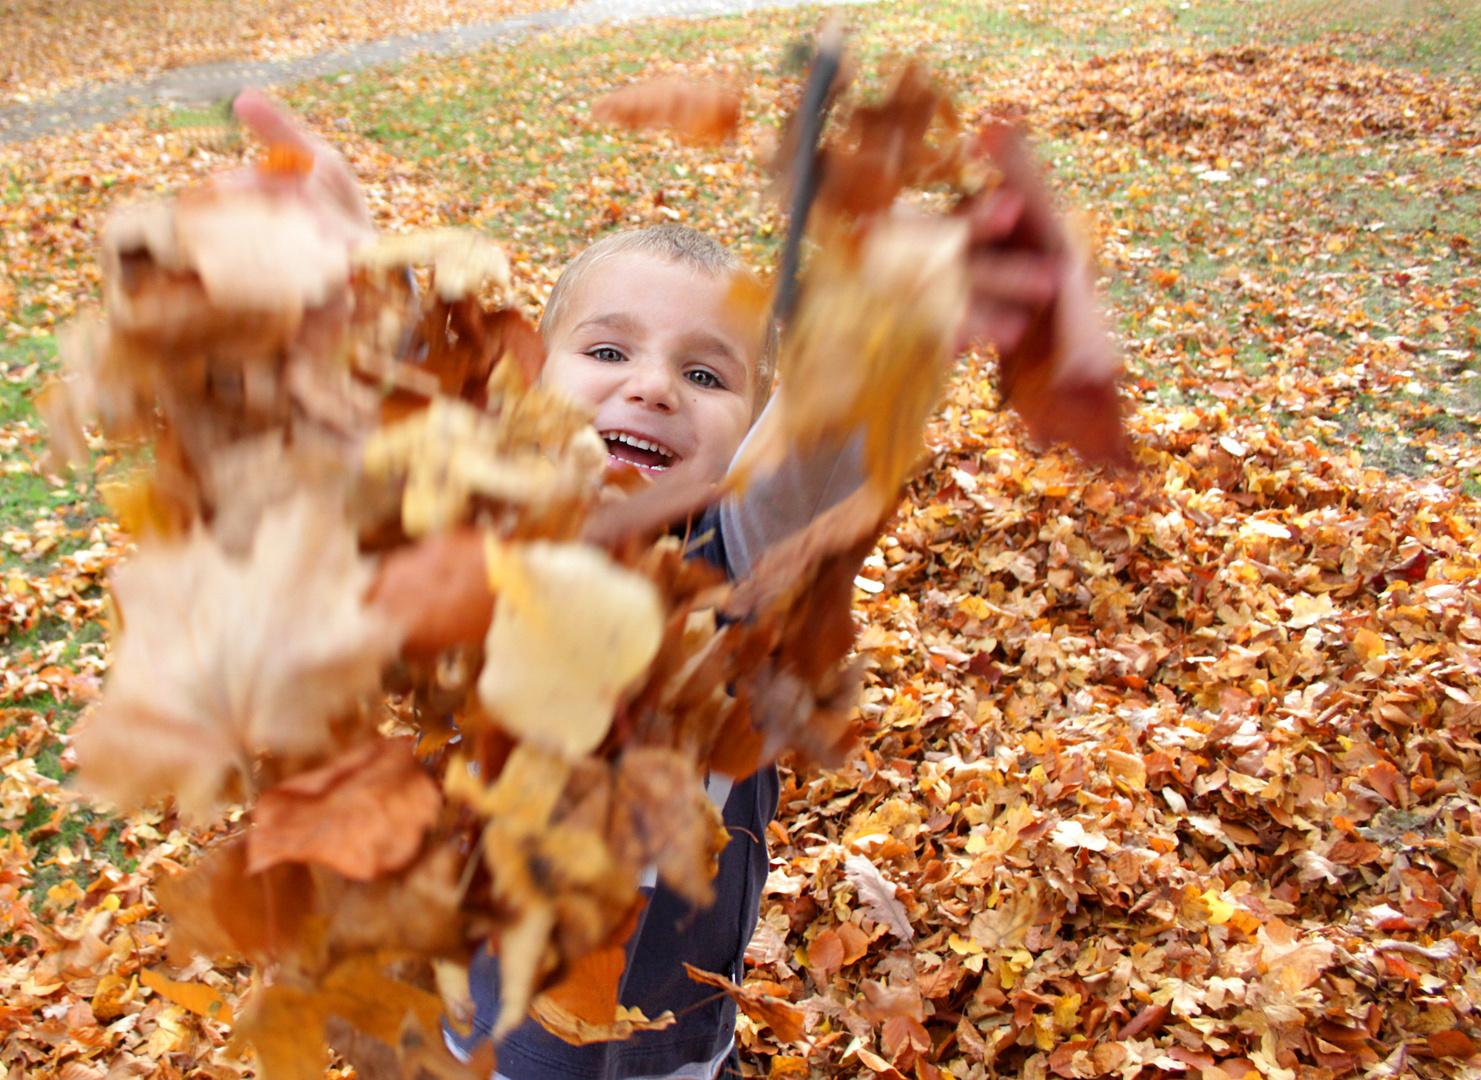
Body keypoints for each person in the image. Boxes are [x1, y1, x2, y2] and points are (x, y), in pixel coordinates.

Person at [229, 86, 1092, 1080]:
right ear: (529, 383)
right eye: (605, 351)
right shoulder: (476, 528)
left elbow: (814, 453)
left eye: (708, 376)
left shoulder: (736, 569)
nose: (650, 386)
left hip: (665, 1044)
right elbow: (410, 391)